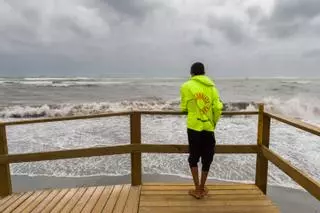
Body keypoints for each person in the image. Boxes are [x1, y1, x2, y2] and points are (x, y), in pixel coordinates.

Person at [180, 62, 223, 199]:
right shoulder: (212, 88)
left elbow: (183, 108)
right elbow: (217, 108)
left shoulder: (186, 86)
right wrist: (213, 122)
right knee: (207, 158)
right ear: (204, 73)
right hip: (208, 127)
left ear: (191, 73)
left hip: (193, 126)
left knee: (193, 157)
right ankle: (202, 187)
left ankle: (197, 188)